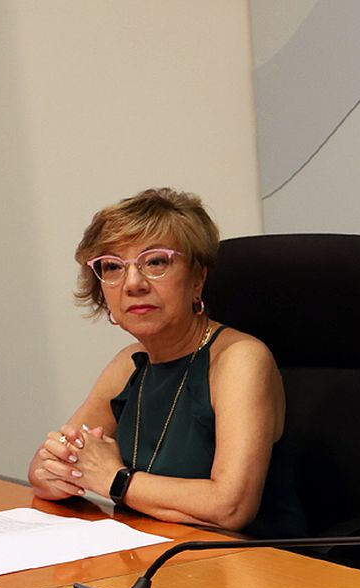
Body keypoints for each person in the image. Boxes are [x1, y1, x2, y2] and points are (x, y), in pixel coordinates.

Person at [28, 187, 305, 537]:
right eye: (112, 266)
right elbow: (42, 466)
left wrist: (113, 478)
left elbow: (231, 506)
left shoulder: (239, 360)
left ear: (197, 278)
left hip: (256, 569)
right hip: (152, 556)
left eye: (155, 261)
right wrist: (56, 473)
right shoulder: (130, 363)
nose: (133, 283)